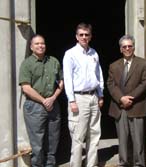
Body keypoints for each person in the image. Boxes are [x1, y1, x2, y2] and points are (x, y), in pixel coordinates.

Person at [19, 34, 64, 167]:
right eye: (37, 44)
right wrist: (44, 100)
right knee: (37, 143)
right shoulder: (27, 63)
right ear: (31, 47)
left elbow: (61, 82)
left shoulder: (53, 61)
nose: (40, 46)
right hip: (35, 106)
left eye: (42, 43)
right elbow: (26, 87)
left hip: (53, 104)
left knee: (53, 139)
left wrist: (53, 98)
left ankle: (50, 165)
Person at [63, 22, 104, 167]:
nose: (84, 37)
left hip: (93, 97)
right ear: (76, 36)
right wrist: (71, 100)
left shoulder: (94, 53)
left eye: (87, 34)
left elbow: (98, 75)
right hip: (78, 98)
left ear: (91, 36)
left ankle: (91, 164)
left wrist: (100, 95)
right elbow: (67, 79)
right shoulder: (70, 54)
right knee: (78, 136)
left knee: (94, 135)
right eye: (81, 35)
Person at [107, 35, 146, 167]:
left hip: (136, 106)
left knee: (138, 141)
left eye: (129, 46)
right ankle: (123, 163)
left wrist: (130, 98)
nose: (127, 48)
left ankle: (139, 164)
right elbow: (110, 84)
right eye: (124, 46)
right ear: (120, 49)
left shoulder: (143, 63)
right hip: (120, 108)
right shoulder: (114, 66)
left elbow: (144, 83)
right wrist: (121, 98)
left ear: (134, 47)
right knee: (123, 141)